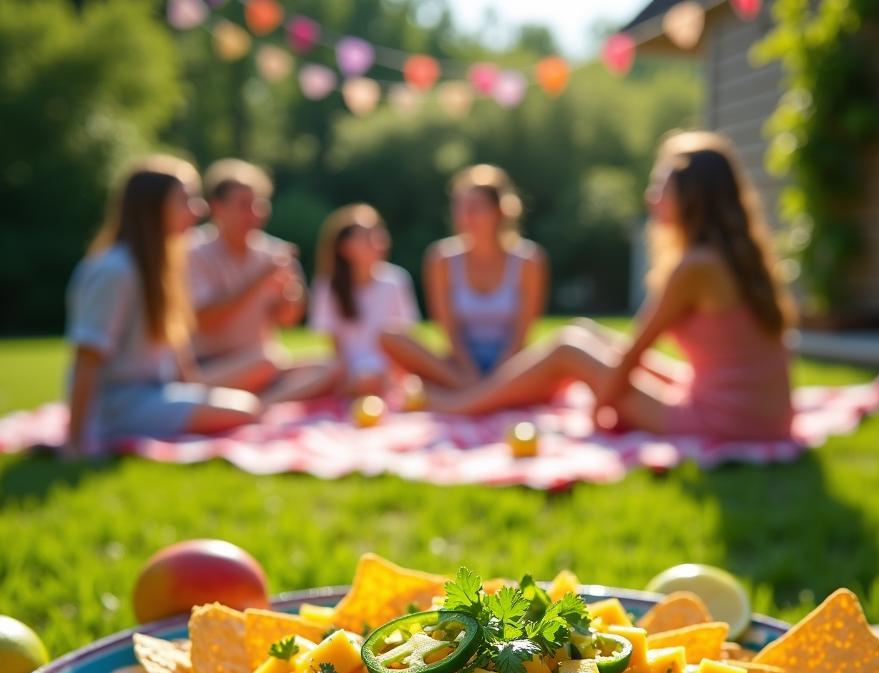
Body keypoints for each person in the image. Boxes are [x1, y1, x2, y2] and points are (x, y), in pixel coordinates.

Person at [427, 133, 796, 443]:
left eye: (660, 188)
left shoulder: (694, 267)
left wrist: (601, 405)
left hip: (729, 423)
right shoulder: (732, 256)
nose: (651, 198)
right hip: (765, 417)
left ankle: (460, 404)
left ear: (692, 196)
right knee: (587, 332)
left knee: (570, 346)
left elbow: (634, 352)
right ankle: (481, 394)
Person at [65, 156, 261, 455]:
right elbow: (87, 358)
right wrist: (76, 443)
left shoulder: (163, 265)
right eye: (185, 199)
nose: (198, 210)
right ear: (153, 206)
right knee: (244, 408)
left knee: (248, 398)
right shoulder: (115, 270)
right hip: (118, 404)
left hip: (155, 392)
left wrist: (195, 389)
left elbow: (179, 355)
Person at [382, 164, 548, 388]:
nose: (465, 215)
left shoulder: (530, 260)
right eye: (460, 206)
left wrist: (499, 377)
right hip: (460, 366)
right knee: (391, 336)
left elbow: (521, 336)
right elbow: (449, 332)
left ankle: (472, 396)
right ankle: (481, 393)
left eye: (475, 207)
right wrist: (471, 374)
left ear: (499, 211)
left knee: (571, 344)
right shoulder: (440, 259)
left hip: (513, 365)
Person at [268, 204, 419, 400]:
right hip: (343, 369)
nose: (379, 242)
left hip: (383, 372)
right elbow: (334, 347)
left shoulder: (396, 280)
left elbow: (405, 338)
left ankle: (275, 400)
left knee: (357, 378)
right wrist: (347, 372)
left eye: (379, 234)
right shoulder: (327, 286)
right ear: (346, 248)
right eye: (368, 237)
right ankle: (270, 400)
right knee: (294, 367)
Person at [187, 159, 308, 392]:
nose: (254, 214)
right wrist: (259, 280)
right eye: (244, 205)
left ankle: (263, 403)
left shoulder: (275, 252)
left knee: (330, 366)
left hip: (262, 362)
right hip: (210, 365)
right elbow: (205, 321)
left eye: (259, 205)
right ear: (217, 208)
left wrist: (290, 297)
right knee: (268, 362)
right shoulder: (193, 250)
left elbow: (288, 321)